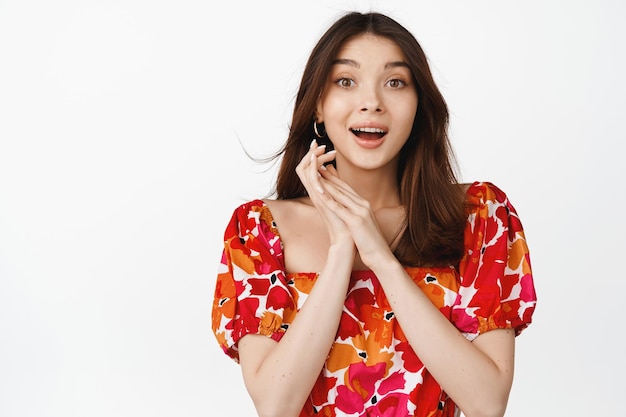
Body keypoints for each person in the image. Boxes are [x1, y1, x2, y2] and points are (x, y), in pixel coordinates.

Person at [211, 11, 536, 417]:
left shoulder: (480, 216)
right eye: (346, 81)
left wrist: (381, 258)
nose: (371, 103)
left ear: (419, 105)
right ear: (317, 106)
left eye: (395, 82)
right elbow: (275, 405)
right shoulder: (258, 230)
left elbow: (488, 404)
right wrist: (341, 249)